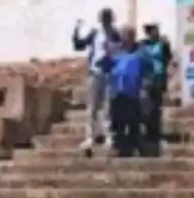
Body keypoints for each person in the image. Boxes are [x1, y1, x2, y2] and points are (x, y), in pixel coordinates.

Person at [72, 9, 120, 154]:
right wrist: (76, 30)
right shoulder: (95, 32)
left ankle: (108, 136)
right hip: (95, 73)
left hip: (109, 73)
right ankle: (90, 136)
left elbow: (118, 51)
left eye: (108, 18)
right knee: (92, 107)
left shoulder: (115, 34)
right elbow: (79, 45)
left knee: (107, 106)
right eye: (103, 18)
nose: (105, 21)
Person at [107, 27, 148, 158]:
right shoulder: (115, 52)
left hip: (133, 92)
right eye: (125, 35)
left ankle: (135, 146)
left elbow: (147, 70)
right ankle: (119, 147)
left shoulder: (141, 52)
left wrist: (144, 87)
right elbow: (106, 67)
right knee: (118, 122)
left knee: (133, 121)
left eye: (129, 35)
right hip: (117, 92)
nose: (127, 38)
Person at [139, 21, 174, 153]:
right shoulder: (142, 45)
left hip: (159, 79)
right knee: (147, 108)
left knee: (157, 108)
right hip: (146, 80)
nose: (156, 32)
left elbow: (169, 58)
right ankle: (148, 133)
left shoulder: (163, 43)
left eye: (157, 29)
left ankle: (156, 134)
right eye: (153, 30)